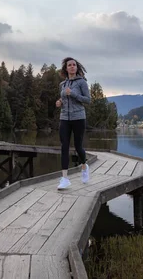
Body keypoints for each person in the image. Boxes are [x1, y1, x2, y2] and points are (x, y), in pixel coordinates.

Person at [55, 57, 91, 190]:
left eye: (74, 65)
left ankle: (84, 165)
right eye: (69, 65)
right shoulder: (62, 85)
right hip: (64, 118)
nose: (71, 67)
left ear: (76, 68)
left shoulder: (81, 83)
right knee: (64, 146)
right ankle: (64, 178)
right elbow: (64, 98)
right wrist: (60, 102)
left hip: (78, 118)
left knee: (77, 146)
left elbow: (87, 100)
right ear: (66, 68)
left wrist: (74, 94)